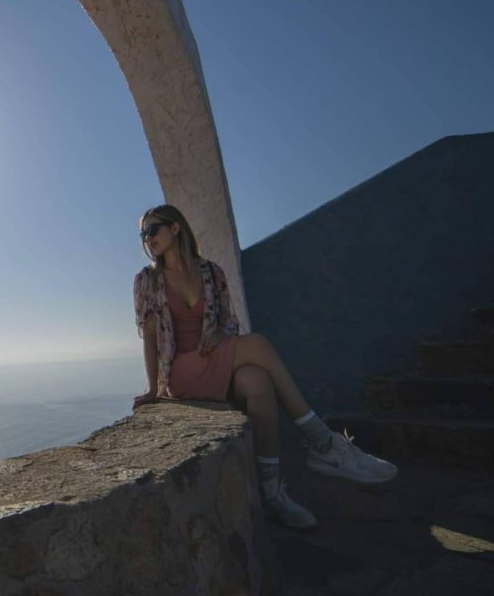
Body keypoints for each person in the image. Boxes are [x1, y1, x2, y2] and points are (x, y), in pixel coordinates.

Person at [131, 204, 397, 529]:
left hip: (214, 359)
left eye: (152, 229)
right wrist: (152, 387)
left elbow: (229, 324)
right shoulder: (148, 280)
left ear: (175, 228)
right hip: (181, 372)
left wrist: (218, 335)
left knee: (258, 382)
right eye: (142, 234)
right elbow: (150, 338)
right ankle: (323, 443)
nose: (147, 238)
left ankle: (272, 494)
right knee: (257, 344)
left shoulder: (212, 273)